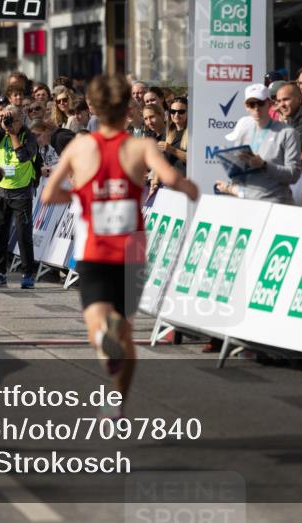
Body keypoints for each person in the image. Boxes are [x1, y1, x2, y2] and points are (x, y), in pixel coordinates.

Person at [41, 73, 199, 411]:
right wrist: (190, 189)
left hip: (94, 250)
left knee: (97, 323)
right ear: (128, 108)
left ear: (95, 108)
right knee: (126, 332)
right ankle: (118, 403)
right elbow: (172, 177)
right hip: (131, 250)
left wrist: (84, 192)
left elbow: (50, 194)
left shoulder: (81, 146)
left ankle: (103, 343)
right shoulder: (140, 146)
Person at [0, 105, 40, 289]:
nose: (8, 123)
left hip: (21, 193)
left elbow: (23, 156)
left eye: (12, 120)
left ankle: (28, 273)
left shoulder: (28, 136)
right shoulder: (0, 132)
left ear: (21, 121)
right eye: (7, 119)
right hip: (1, 191)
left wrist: (13, 134)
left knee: (24, 235)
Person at [214, 84, 301, 204]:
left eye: (260, 103)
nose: (256, 108)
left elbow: (293, 175)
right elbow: (239, 174)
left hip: (274, 203)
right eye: (251, 104)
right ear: (246, 106)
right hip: (246, 202)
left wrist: (264, 165)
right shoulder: (244, 128)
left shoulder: (288, 133)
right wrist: (231, 164)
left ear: (270, 104)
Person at [161, 97, 189, 174]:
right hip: (168, 179)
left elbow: (194, 160)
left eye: (181, 111)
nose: (176, 114)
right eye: (173, 111)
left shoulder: (192, 133)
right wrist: (155, 179)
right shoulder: (168, 132)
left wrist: (172, 149)